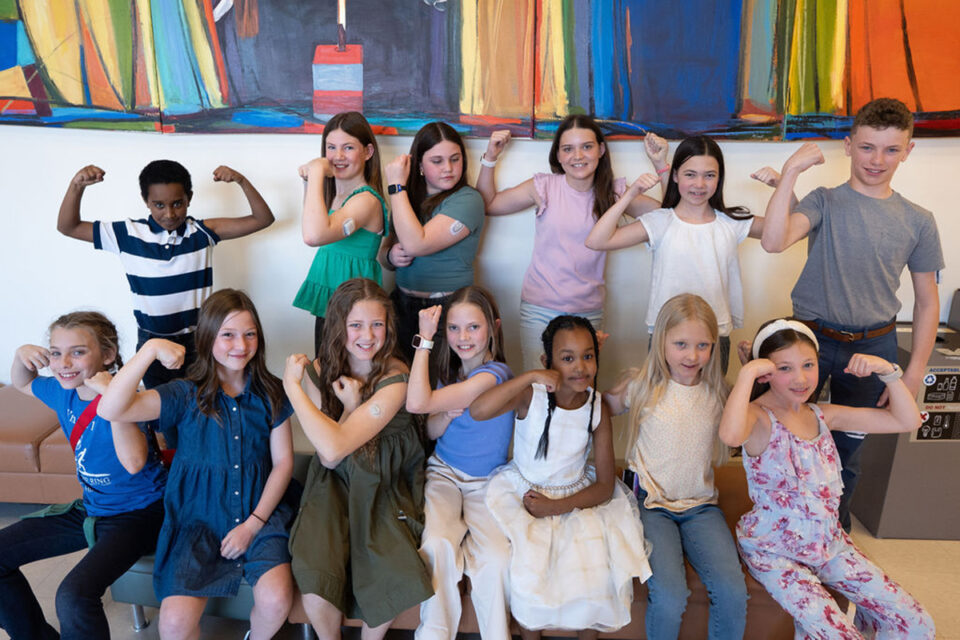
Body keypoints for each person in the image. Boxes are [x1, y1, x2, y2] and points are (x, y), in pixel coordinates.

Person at [760, 97, 943, 531]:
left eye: (891, 149)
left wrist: (912, 373)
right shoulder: (823, 201)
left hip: (874, 346)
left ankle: (833, 535)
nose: (877, 160)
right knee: (782, 435)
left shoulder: (919, 220)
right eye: (867, 147)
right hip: (810, 339)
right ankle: (778, 528)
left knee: (847, 451)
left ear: (908, 151)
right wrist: (790, 172)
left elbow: (927, 301)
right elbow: (773, 241)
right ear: (848, 146)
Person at [98, 290, 295, 640]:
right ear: (207, 338)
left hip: (260, 516)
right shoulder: (184, 393)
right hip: (197, 520)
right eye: (228, 334)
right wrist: (149, 350)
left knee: (276, 600)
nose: (241, 345)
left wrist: (252, 526)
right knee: (173, 625)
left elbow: (283, 463)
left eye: (249, 334)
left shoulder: (272, 391)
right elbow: (111, 409)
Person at [719, 319, 935, 638]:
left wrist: (888, 372)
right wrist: (748, 373)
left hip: (829, 546)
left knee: (917, 622)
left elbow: (907, 420)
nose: (800, 378)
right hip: (775, 552)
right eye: (785, 368)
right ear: (766, 372)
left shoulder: (823, 414)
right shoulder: (758, 416)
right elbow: (730, 435)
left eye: (808, 365)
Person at [470, 315, 651, 638]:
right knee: (528, 574)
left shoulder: (597, 407)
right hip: (523, 493)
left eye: (587, 356)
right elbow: (478, 410)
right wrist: (530, 377)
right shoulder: (531, 395)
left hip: (574, 498)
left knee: (595, 576)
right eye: (567, 358)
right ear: (547, 362)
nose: (580, 367)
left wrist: (555, 507)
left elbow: (605, 486)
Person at [1, 312, 166, 640]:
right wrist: (21, 355)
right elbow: (22, 382)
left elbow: (134, 462)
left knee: (73, 596)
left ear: (107, 355)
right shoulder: (63, 392)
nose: (64, 363)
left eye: (77, 352)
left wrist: (113, 397)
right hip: (93, 509)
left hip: (140, 515)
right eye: (55, 352)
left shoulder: (131, 398)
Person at [283, 278, 433, 640]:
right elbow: (329, 458)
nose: (367, 335)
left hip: (386, 482)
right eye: (356, 325)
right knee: (316, 567)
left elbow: (334, 447)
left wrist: (291, 387)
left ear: (389, 326)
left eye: (377, 324)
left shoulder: (396, 378)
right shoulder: (320, 369)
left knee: (388, 567)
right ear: (338, 326)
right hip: (333, 483)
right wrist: (350, 408)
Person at [56, 160, 275, 389]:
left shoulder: (202, 232)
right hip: (152, 342)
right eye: (159, 205)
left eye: (177, 204)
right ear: (146, 201)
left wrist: (241, 181)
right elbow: (68, 227)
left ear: (189, 198)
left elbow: (262, 219)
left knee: (201, 399)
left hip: (197, 339)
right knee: (158, 402)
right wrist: (76, 185)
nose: (169, 213)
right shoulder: (126, 234)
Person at [605, 294, 746, 640]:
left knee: (732, 592)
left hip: (701, 507)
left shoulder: (719, 393)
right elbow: (594, 409)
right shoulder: (641, 386)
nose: (692, 355)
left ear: (714, 347)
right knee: (670, 596)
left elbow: (753, 424)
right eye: (681, 344)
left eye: (702, 345)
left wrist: (751, 373)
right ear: (661, 342)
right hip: (652, 506)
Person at [476, 116, 663, 371]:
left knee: (579, 386)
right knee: (541, 386)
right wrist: (490, 157)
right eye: (568, 149)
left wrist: (660, 164)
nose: (578, 156)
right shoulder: (543, 186)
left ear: (601, 150)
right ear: (558, 155)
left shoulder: (615, 192)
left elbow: (668, 215)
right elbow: (488, 205)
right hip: (539, 309)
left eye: (586, 146)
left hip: (587, 311)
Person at [586, 135, 764, 373]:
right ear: (676, 175)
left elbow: (781, 232)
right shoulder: (661, 221)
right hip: (666, 335)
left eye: (709, 175)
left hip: (714, 334)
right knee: (663, 396)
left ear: (719, 178)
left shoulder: (731, 222)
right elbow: (596, 240)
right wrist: (630, 194)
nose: (699, 184)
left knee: (711, 398)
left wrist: (783, 181)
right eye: (690, 174)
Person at [405, 286, 513, 640]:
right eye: (453, 328)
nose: (463, 337)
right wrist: (445, 415)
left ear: (493, 329)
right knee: (437, 543)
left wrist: (424, 338)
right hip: (445, 474)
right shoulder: (448, 376)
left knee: (496, 558)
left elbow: (417, 403)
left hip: (487, 482)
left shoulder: (496, 375)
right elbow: (430, 427)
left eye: (473, 327)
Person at [380, 121, 486, 359]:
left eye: (455, 159)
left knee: (438, 377)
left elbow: (417, 244)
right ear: (419, 164)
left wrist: (396, 186)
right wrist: (390, 256)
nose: (448, 168)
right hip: (401, 304)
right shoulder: (406, 200)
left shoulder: (468, 199)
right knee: (402, 376)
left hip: (447, 307)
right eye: (437, 161)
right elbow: (383, 254)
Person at [293, 111, 388, 355]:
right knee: (325, 370)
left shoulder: (366, 200)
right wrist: (309, 182)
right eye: (331, 147)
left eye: (348, 147)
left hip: (354, 311)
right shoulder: (337, 197)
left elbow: (313, 236)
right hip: (332, 302)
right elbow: (311, 224)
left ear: (367, 152)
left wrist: (316, 171)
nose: (338, 156)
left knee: (344, 374)